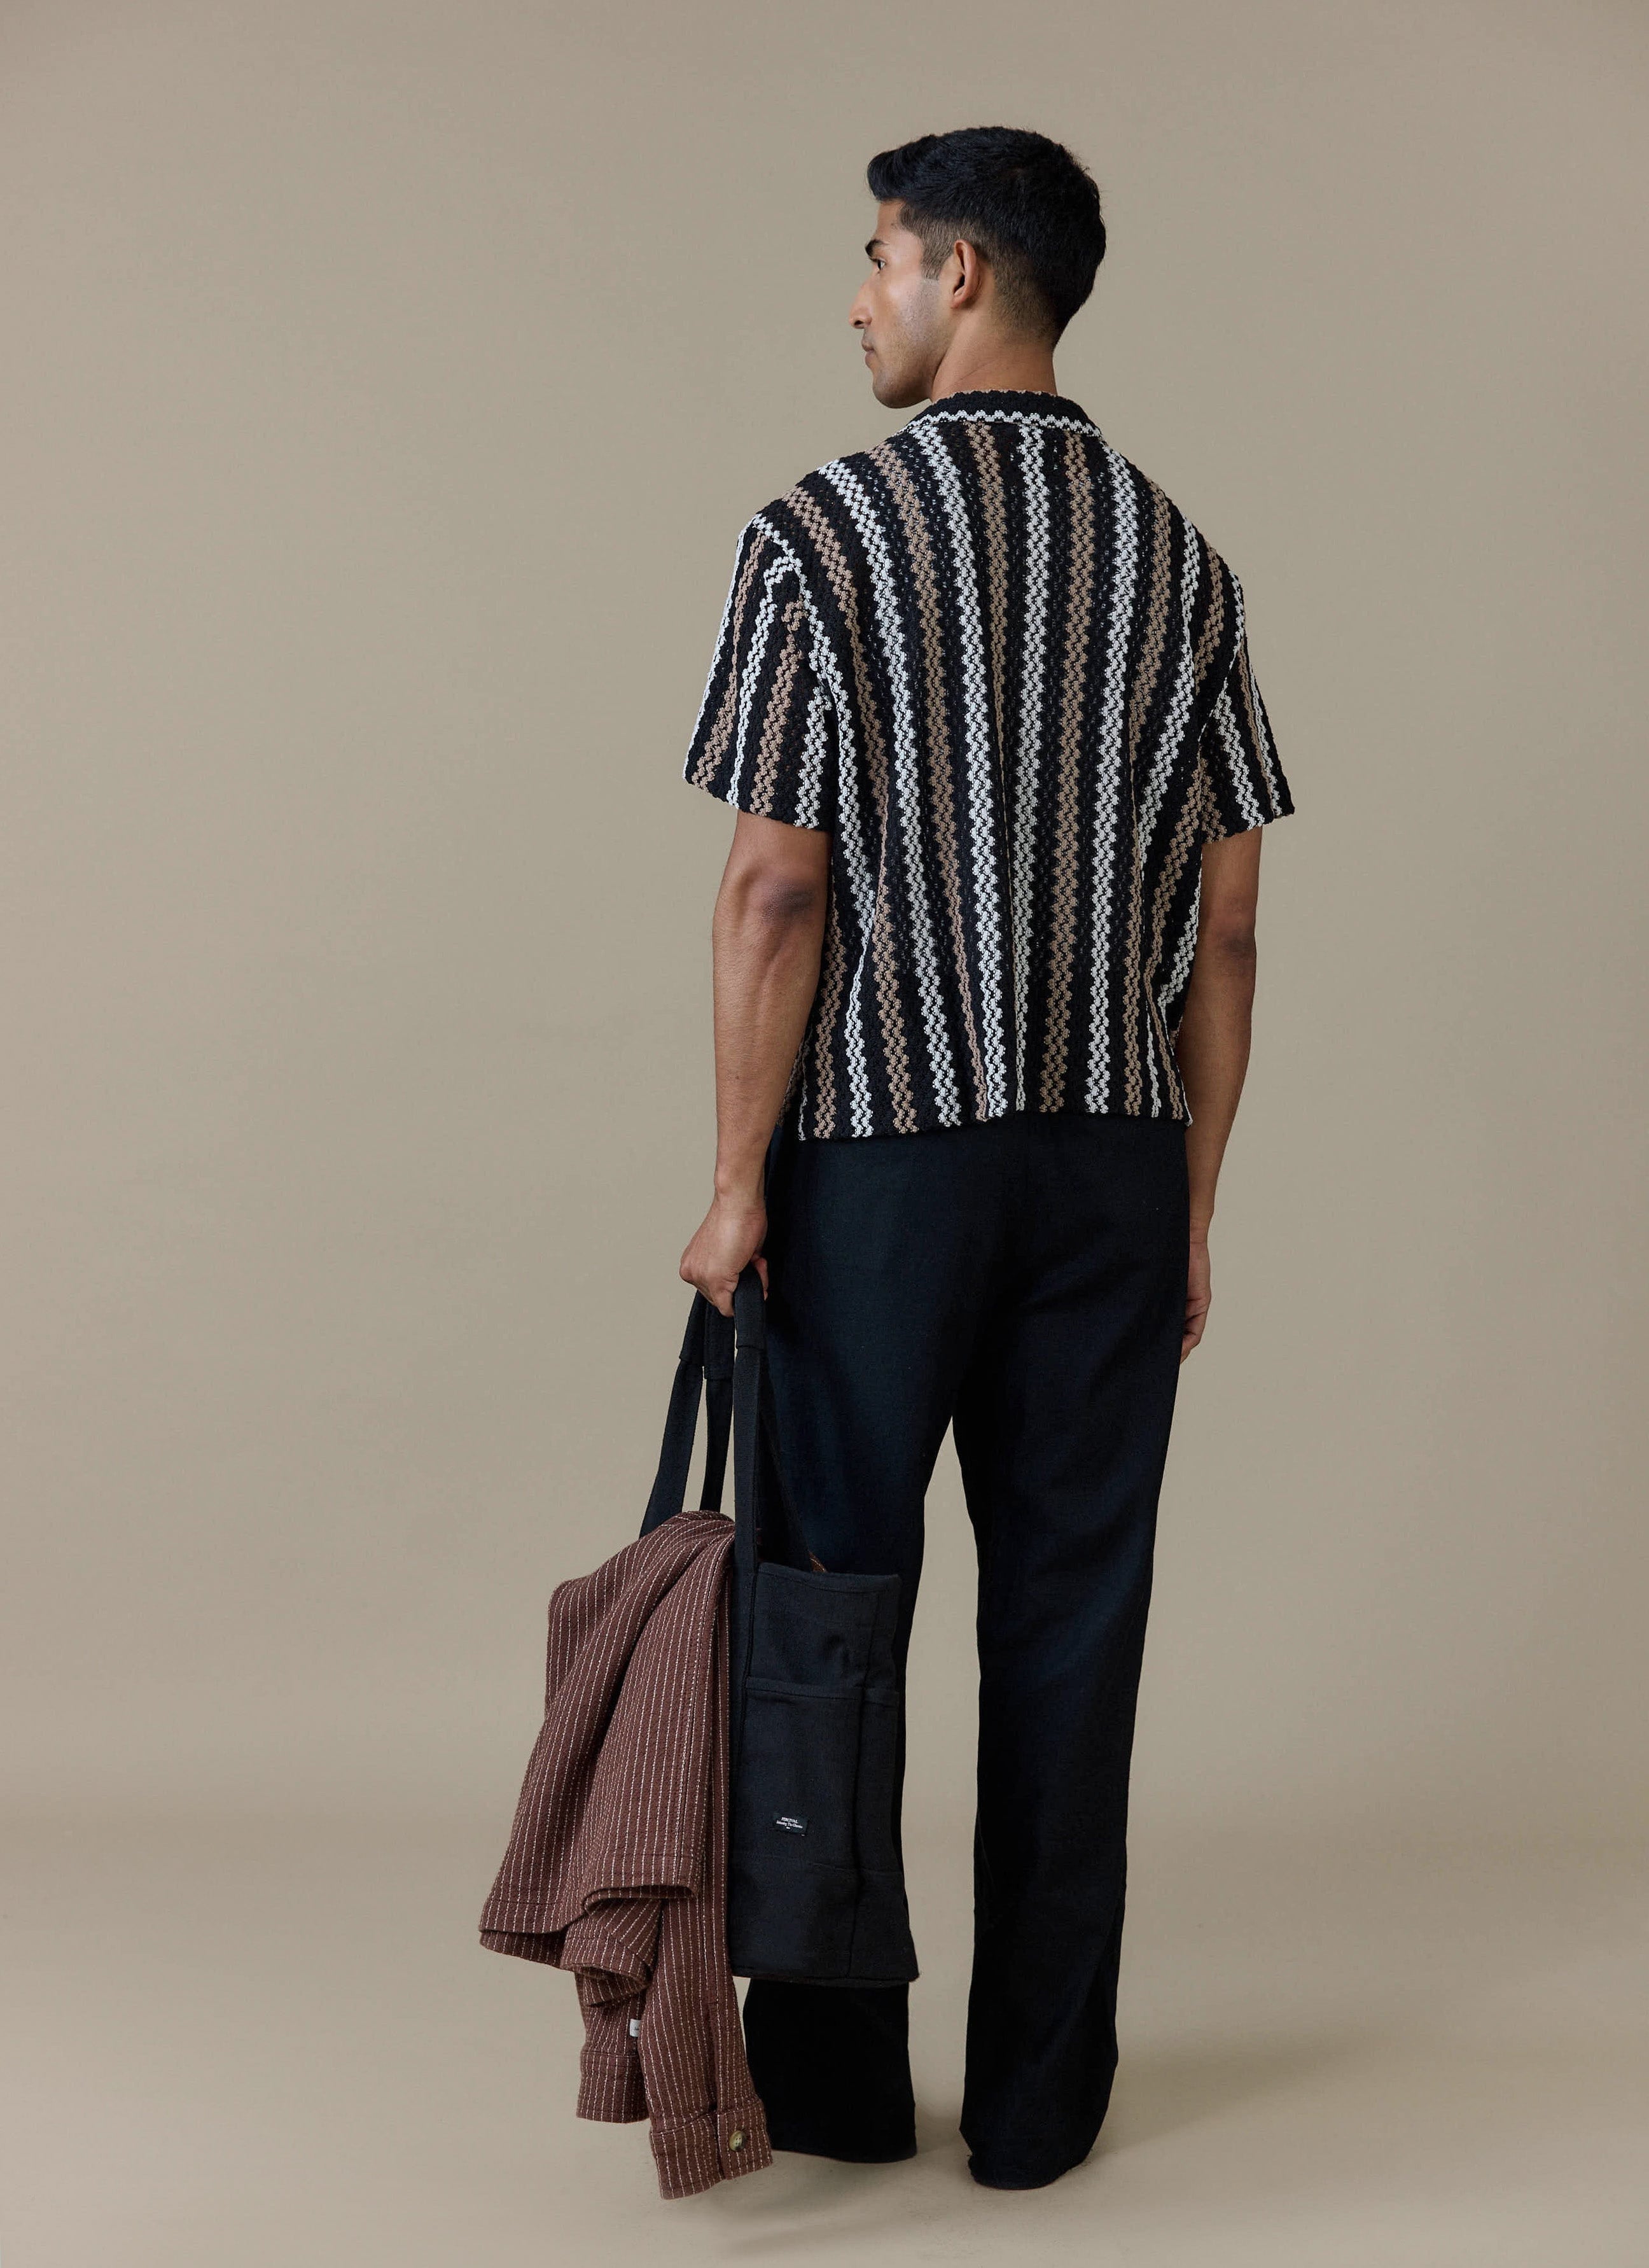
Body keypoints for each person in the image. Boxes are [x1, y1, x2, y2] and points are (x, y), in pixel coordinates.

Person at [676, 125, 1295, 2192]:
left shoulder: (823, 534)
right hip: (1111, 1162)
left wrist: (739, 1180)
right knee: (1071, 1625)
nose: (857, 296)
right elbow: (1227, 929)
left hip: (876, 1165)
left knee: (829, 1613)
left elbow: (775, 886)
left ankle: (839, 2088)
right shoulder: (1184, 561)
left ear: (960, 272)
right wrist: (1192, 1202)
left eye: (877, 256)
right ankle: (1039, 2106)